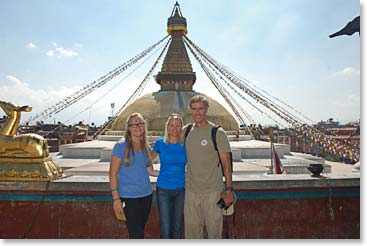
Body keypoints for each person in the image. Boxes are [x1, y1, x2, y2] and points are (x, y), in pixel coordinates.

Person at [184, 95, 234, 239]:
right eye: (194, 109)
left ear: (206, 110)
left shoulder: (217, 133)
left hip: (213, 192)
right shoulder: (186, 131)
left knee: (214, 234)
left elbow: (226, 165)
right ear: (190, 110)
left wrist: (229, 190)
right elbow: (167, 140)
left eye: (200, 108)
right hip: (191, 192)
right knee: (192, 235)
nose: (197, 112)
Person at [109, 113, 158, 239]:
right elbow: (113, 173)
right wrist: (116, 199)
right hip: (128, 198)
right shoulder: (120, 147)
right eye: (134, 124)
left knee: (139, 230)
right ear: (129, 128)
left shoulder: (146, 147)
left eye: (140, 123)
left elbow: (150, 171)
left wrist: (173, 174)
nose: (138, 126)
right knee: (136, 233)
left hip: (146, 195)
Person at [152, 113, 187, 239]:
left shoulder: (185, 144)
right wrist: (151, 172)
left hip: (181, 189)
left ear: (181, 128)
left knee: (177, 227)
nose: (174, 128)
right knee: (165, 228)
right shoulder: (160, 143)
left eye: (178, 126)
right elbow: (147, 160)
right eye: (171, 125)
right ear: (167, 127)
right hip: (163, 189)